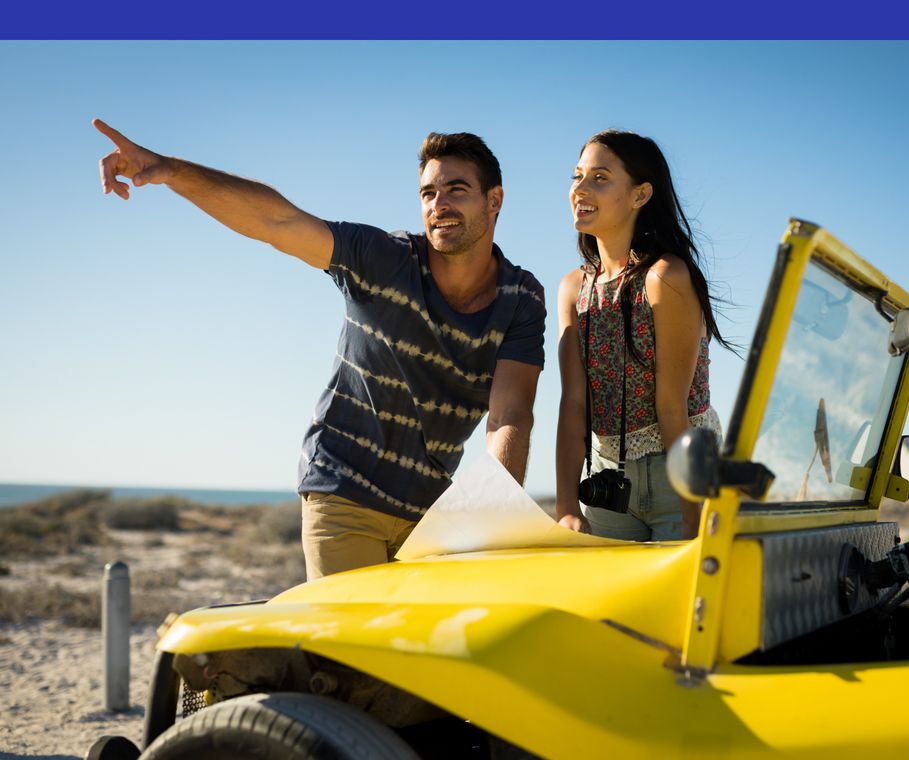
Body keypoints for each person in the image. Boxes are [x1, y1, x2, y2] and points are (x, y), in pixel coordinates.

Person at [93, 119, 544, 578]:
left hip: (431, 517)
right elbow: (277, 221)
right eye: (428, 193)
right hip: (344, 495)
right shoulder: (383, 258)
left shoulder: (520, 298)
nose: (438, 204)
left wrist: (496, 516)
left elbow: (509, 415)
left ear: (494, 200)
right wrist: (168, 169)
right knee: (345, 648)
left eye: (456, 189)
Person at [555, 130, 731, 542]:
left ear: (640, 195)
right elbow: (573, 403)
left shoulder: (664, 277)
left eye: (600, 178)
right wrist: (565, 508)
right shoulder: (572, 289)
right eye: (576, 176)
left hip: (682, 475)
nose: (580, 188)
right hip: (607, 481)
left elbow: (672, 406)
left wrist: (694, 514)